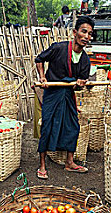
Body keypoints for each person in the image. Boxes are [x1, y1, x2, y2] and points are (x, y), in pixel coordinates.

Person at [35, 16, 94, 179]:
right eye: (84, 32)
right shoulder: (59, 48)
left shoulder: (85, 61)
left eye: (90, 34)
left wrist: (80, 84)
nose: (87, 37)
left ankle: (69, 163)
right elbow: (39, 59)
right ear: (75, 32)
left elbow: (77, 86)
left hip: (67, 95)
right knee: (47, 126)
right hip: (53, 94)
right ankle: (42, 165)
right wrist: (42, 78)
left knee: (72, 126)